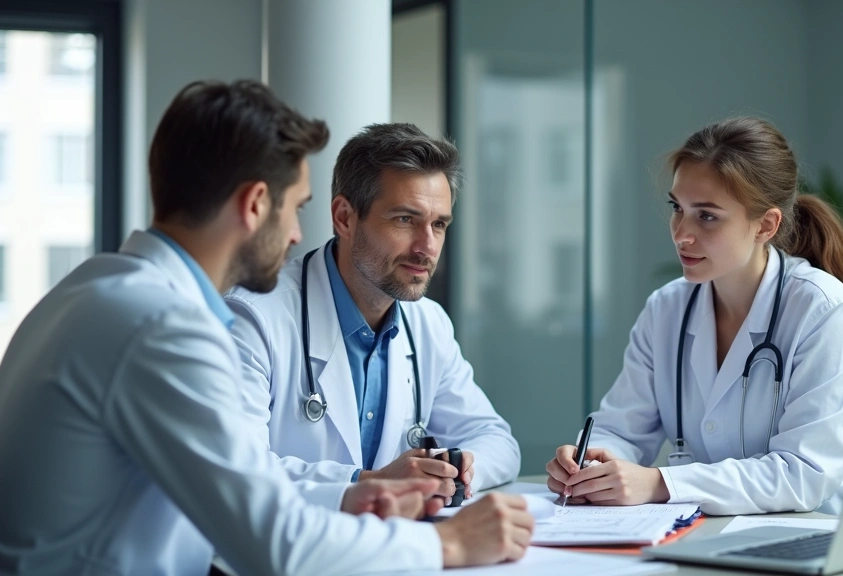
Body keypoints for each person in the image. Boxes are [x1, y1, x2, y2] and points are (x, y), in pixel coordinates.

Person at [0, 80, 533, 576]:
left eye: (438, 224)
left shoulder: (99, 288)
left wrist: (355, 494)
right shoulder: (162, 327)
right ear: (256, 205)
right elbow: (276, 542)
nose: (300, 232)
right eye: (296, 207)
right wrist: (451, 544)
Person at [546, 117, 843, 516]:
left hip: (812, 540)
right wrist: (592, 464)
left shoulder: (822, 311)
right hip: (704, 537)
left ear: (766, 225)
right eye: (677, 208)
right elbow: (622, 428)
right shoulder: (667, 308)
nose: (681, 233)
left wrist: (659, 483)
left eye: (706, 216)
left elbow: (804, 474)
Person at [225, 123, 519, 505]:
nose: (427, 247)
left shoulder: (428, 324)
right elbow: (236, 470)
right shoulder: (254, 317)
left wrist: (453, 469)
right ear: (345, 217)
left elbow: (497, 441)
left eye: (439, 225)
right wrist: (368, 483)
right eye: (404, 220)